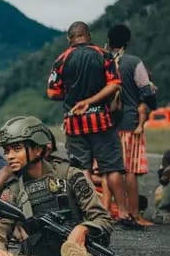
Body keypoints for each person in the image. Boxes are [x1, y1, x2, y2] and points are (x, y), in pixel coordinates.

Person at [0, 116, 113, 256]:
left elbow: (103, 219)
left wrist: (83, 229)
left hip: (79, 252)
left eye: (16, 149)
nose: (9, 156)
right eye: (6, 150)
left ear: (38, 149)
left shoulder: (69, 175)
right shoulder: (12, 190)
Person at [47, 21, 133, 226]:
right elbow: (114, 85)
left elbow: (52, 92)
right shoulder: (103, 55)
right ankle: (123, 213)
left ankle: (89, 214)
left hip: (74, 122)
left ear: (69, 38)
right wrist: (92, 101)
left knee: (82, 169)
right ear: (89, 35)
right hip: (102, 120)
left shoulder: (61, 59)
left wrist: (73, 96)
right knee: (112, 168)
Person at [106, 24, 158, 226]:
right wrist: (152, 105)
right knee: (130, 170)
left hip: (108, 124)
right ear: (127, 41)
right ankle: (134, 214)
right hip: (130, 122)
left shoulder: (103, 61)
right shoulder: (134, 62)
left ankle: (114, 211)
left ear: (109, 41)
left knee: (110, 170)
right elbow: (146, 91)